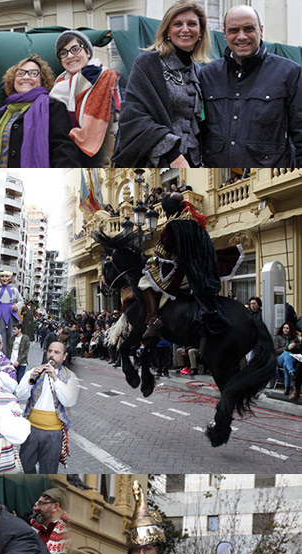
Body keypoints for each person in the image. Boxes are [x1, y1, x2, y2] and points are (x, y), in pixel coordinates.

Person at [200, 5, 302, 168]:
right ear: (225, 34)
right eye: (234, 30)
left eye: (248, 29)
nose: (241, 36)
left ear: (260, 30)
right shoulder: (207, 75)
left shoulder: (290, 73)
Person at [112, 1, 209, 167]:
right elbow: (133, 116)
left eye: (191, 24)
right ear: (168, 31)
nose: (185, 29)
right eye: (177, 24)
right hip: (155, 160)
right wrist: (172, 154)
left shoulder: (197, 70)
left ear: (200, 32)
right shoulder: (148, 63)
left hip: (191, 162)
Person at [138, 192, 232, 338]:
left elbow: (164, 254)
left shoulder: (171, 228)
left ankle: (153, 320)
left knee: (144, 281)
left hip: (185, 272)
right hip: (203, 271)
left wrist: (152, 260)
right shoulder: (196, 224)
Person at [0, 57, 81, 172]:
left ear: (42, 80)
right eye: (20, 73)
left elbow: (63, 150)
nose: (26, 77)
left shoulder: (53, 107)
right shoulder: (1, 113)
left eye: (33, 73)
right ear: (13, 79)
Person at [50, 31, 119, 164]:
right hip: (70, 157)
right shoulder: (58, 86)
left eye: (75, 49)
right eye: (63, 53)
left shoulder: (107, 77)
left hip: (106, 155)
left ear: (87, 52)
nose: (70, 56)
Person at [16, 339, 79, 473]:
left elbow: (69, 401)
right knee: (24, 467)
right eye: (50, 351)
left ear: (64, 356)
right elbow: (20, 395)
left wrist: (55, 379)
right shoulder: (35, 371)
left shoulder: (71, 377)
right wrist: (29, 381)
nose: (52, 355)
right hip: (31, 430)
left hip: (53, 433)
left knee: (48, 471)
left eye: (57, 352)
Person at [0, 275, 23, 360]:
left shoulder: (14, 290)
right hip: (0, 311)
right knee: (0, 332)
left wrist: (17, 306)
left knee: (11, 333)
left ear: (10, 279)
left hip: (10, 312)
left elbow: (21, 300)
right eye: (2, 276)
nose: (4, 278)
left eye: (7, 276)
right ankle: (0, 354)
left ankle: (11, 355)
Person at [30, 489, 68, 554]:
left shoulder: (68, 534)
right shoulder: (36, 528)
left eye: (41, 503)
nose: (37, 508)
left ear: (55, 506)